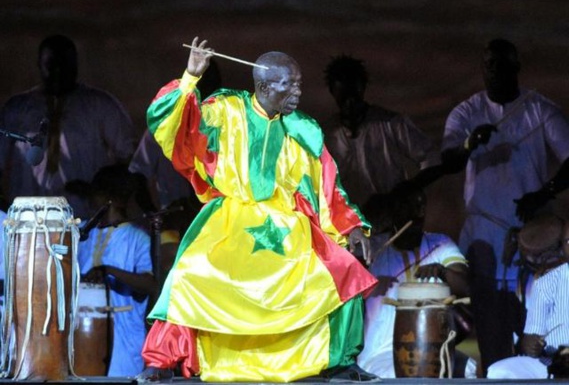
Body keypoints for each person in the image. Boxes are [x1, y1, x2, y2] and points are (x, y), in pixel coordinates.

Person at [136, 37, 378, 383]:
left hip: (288, 228)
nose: (298, 91)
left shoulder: (303, 129)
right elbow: (178, 124)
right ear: (264, 86)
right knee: (188, 274)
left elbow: (328, 188)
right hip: (229, 224)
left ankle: (341, 362)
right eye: (289, 84)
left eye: (299, 83)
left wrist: (352, 228)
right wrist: (190, 77)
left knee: (344, 270)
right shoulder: (226, 111)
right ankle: (161, 361)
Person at [440, 38, 569, 375]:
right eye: (490, 65)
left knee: (537, 320)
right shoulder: (467, 112)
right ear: (483, 70)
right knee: (490, 321)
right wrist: (470, 144)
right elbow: (449, 160)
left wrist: (544, 193)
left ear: (516, 68)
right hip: (485, 233)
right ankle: (498, 373)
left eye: (503, 65)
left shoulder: (539, 109)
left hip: (533, 233)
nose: (496, 72)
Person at [0, 34, 137, 219]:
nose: (57, 71)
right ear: (39, 65)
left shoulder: (100, 105)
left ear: (76, 65)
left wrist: (97, 189)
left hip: (84, 221)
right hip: (26, 221)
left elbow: (131, 158)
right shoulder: (16, 109)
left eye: (65, 65)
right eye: (51, 65)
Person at [357, 183, 475, 378]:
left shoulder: (440, 244)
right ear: (394, 213)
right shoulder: (374, 249)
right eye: (408, 207)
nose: (419, 212)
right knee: (406, 375)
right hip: (381, 353)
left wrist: (442, 272)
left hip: (435, 349)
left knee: (467, 369)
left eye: (421, 206)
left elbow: (466, 286)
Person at [322, 55, 440, 209]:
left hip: (393, 224)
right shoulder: (325, 135)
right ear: (333, 93)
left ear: (362, 88)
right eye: (343, 97)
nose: (350, 103)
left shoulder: (391, 124)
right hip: (349, 227)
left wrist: (407, 192)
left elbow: (431, 157)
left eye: (353, 95)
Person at [75, 164, 156, 377]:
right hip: (83, 335)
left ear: (108, 199)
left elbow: (150, 284)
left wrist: (108, 270)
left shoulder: (137, 238)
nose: (90, 202)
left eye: (95, 195)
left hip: (125, 341)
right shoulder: (83, 233)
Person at [128, 60, 222, 213]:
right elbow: (137, 175)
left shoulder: (229, 125)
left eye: (211, 83)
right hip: (174, 216)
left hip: (216, 214)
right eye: (200, 82)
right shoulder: (164, 126)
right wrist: (154, 215)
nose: (205, 89)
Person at [487, 214, 569, 379]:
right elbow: (531, 335)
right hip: (550, 362)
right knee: (499, 371)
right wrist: (530, 344)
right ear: (563, 246)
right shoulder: (547, 283)